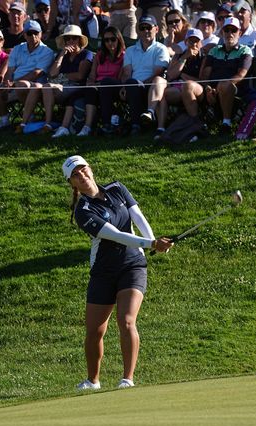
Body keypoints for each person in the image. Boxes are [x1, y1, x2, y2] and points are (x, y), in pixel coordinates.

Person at [62, 154, 173, 391]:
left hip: (132, 265)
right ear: (71, 183)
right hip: (103, 271)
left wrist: (152, 240)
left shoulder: (117, 188)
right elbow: (115, 234)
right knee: (94, 331)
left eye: (82, 169)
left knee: (127, 320)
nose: (81, 175)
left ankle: (127, 379)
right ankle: (93, 381)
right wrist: (151, 244)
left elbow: (138, 217)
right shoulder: (83, 210)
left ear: (90, 169)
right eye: (75, 175)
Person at [194, 17, 252, 134]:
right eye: (227, 30)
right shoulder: (214, 51)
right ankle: (195, 124)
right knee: (189, 87)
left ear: (239, 33)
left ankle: (226, 123)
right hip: (212, 90)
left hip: (235, 90)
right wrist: (208, 88)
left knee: (224, 85)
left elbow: (241, 74)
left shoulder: (245, 50)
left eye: (233, 31)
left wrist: (219, 88)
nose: (230, 34)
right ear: (222, 32)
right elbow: (205, 75)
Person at [120, 14, 169, 134]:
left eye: (148, 27)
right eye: (142, 28)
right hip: (133, 85)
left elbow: (158, 73)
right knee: (110, 84)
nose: (146, 31)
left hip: (152, 86)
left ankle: (136, 124)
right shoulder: (130, 50)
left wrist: (138, 83)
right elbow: (127, 73)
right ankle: (110, 125)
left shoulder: (161, 49)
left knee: (134, 83)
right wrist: (124, 86)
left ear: (156, 29)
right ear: (138, 31)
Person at [5, 19, 55, 133]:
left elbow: (36, 73)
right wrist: (7, 82)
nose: (33, 36)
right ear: (24, 35)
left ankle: (28, 119)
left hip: (36, 84)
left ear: (41, 34)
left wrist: (14, 83)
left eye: (36, 33)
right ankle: (3, 121)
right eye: (29, 33)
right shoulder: (17, 48)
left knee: (23, 85)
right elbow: (10, 70)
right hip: (14, 84)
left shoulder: (47, 51)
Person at [156, 28, 204, 138]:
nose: (194, 44)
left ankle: (195, 124)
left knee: (187, 86)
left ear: (201, 43)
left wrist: (182, 75)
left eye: (196, 41)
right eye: (191, 41)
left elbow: (203, 80)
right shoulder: (179, 56)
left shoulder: (204, 57)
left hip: (196, 88)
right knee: (160, 94)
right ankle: (161, 128)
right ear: (186, 42)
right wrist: (184, 58)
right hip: (177, 87)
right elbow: (171, 75)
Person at [46, 25, 93, 137]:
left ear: (80, 40)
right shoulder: (63, 55)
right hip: (61, 86)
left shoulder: (86, 54)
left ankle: (49, 123)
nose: (71, 41)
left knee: (47, 87)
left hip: (78, 87)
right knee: (44, 87)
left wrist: (62, 76)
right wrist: (62, 55)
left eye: (74, 38)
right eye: (68, 38)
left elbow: (80, 76)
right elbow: (52, 73)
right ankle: (47, 123)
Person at [83, 26, 125, 135]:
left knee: (106, 83)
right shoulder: (99, 55)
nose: (110, 42)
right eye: (106, 40)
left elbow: (120, 77)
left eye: (113, 39)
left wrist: (100, 83)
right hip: (98, 85)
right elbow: (92, 75)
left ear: (119, 40)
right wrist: (91, 83)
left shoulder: (124, 56)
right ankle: (87, 127)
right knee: (90, 90)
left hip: (114, 86)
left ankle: (106, 123)